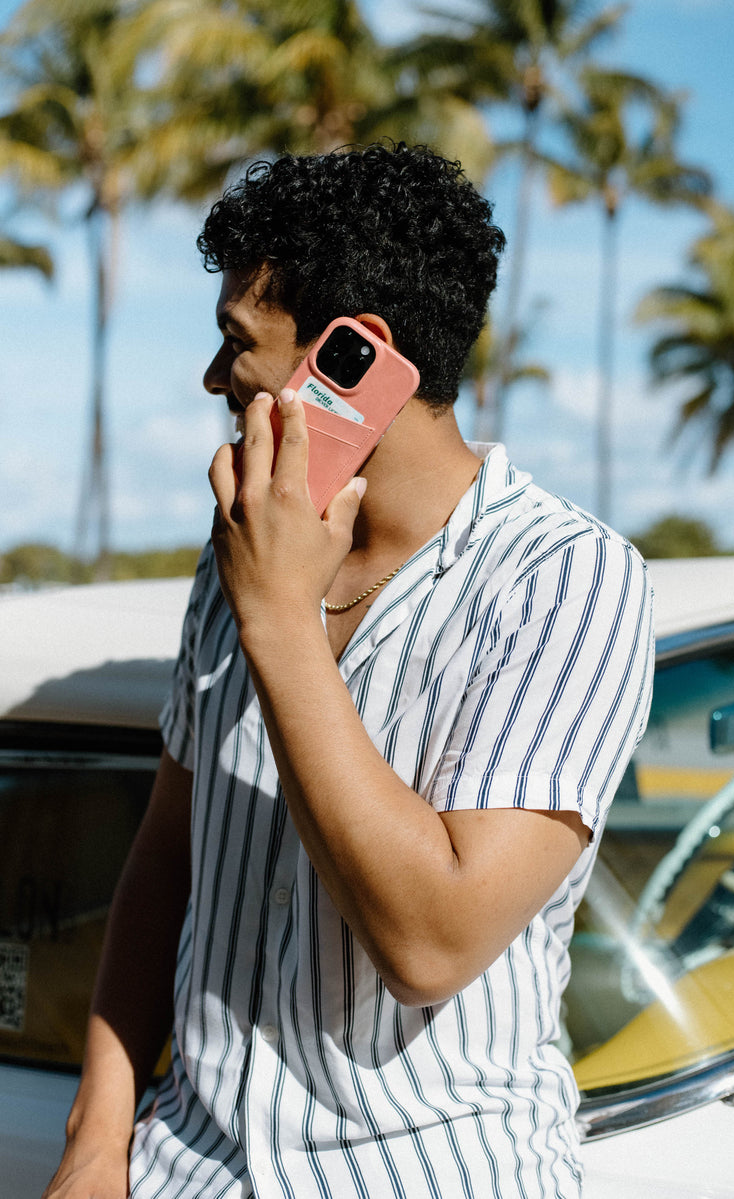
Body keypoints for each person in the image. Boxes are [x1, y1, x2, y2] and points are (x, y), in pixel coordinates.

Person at [44, 142, 654, 1199]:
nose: (211, 376)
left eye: (237, 340)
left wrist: (276, 614)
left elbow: (430, 939)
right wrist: (97, 1142)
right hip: (190, 1164)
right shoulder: (230, 544)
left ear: (355, 357)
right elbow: (162, 861)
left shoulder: (567, 580)